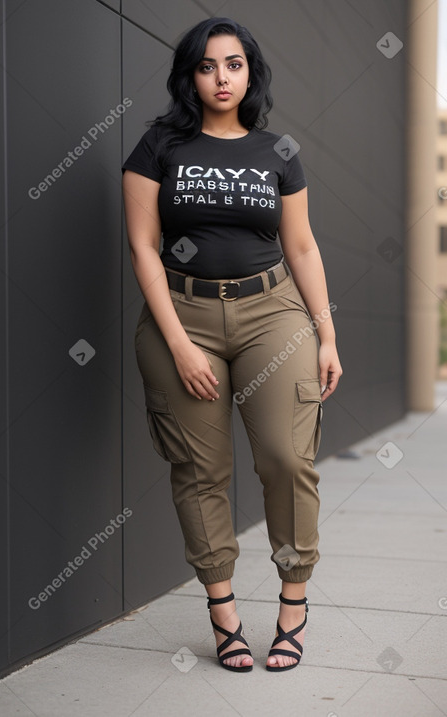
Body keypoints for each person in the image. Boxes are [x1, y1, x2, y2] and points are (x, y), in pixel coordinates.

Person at [122, 17, 342, 673]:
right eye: (208, 65)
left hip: (273, 310)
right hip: (180, 314)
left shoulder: (279, 150)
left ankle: (293, 604)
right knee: (198, 470)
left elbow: (301, 245)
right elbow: (142, 246)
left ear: (251, 73)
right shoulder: (160, 145)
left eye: (235, 64)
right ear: (190, 75)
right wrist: (178, 343)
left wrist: (326, 331)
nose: (222, 77)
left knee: (285, 456)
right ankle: (223, 613)